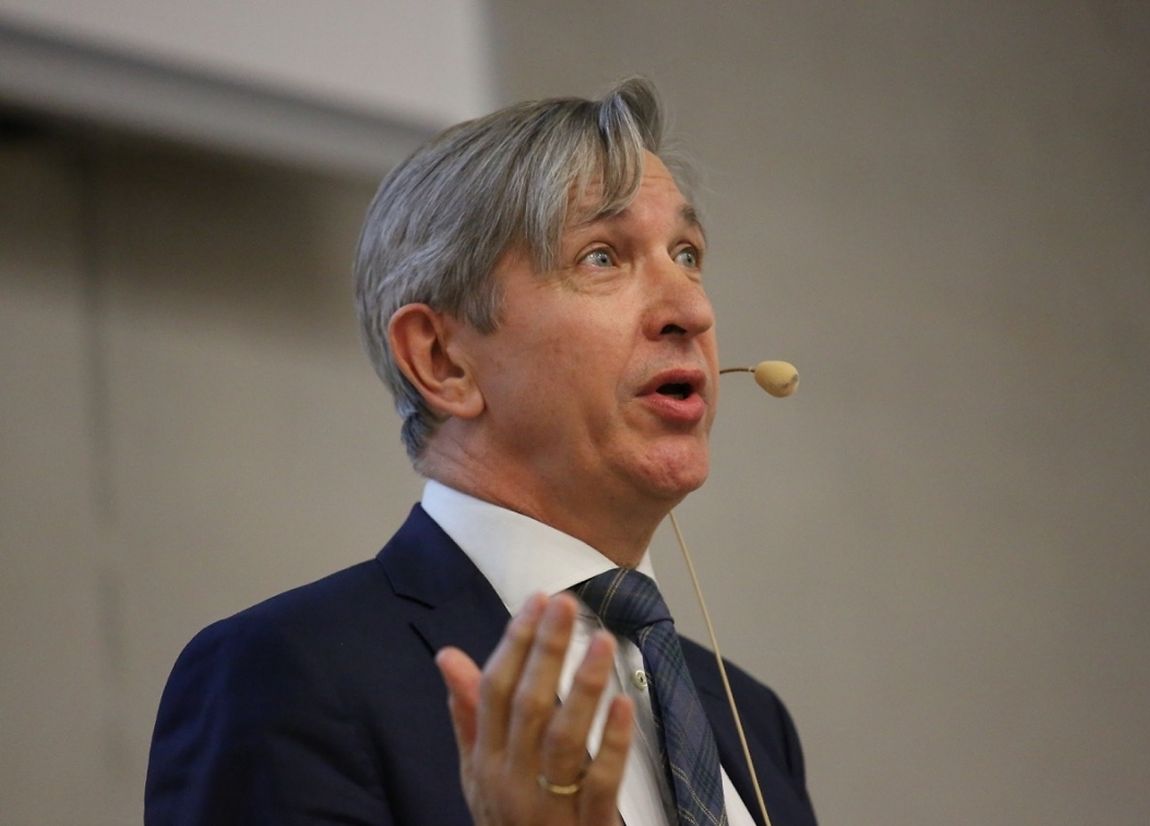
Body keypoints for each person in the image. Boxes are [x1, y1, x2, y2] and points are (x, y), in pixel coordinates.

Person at [144, 77, 818, 825]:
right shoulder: (285, 675)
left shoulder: (755, 720)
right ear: (442, 360)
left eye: (687, 254)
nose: (692, 309)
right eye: (601, 256)